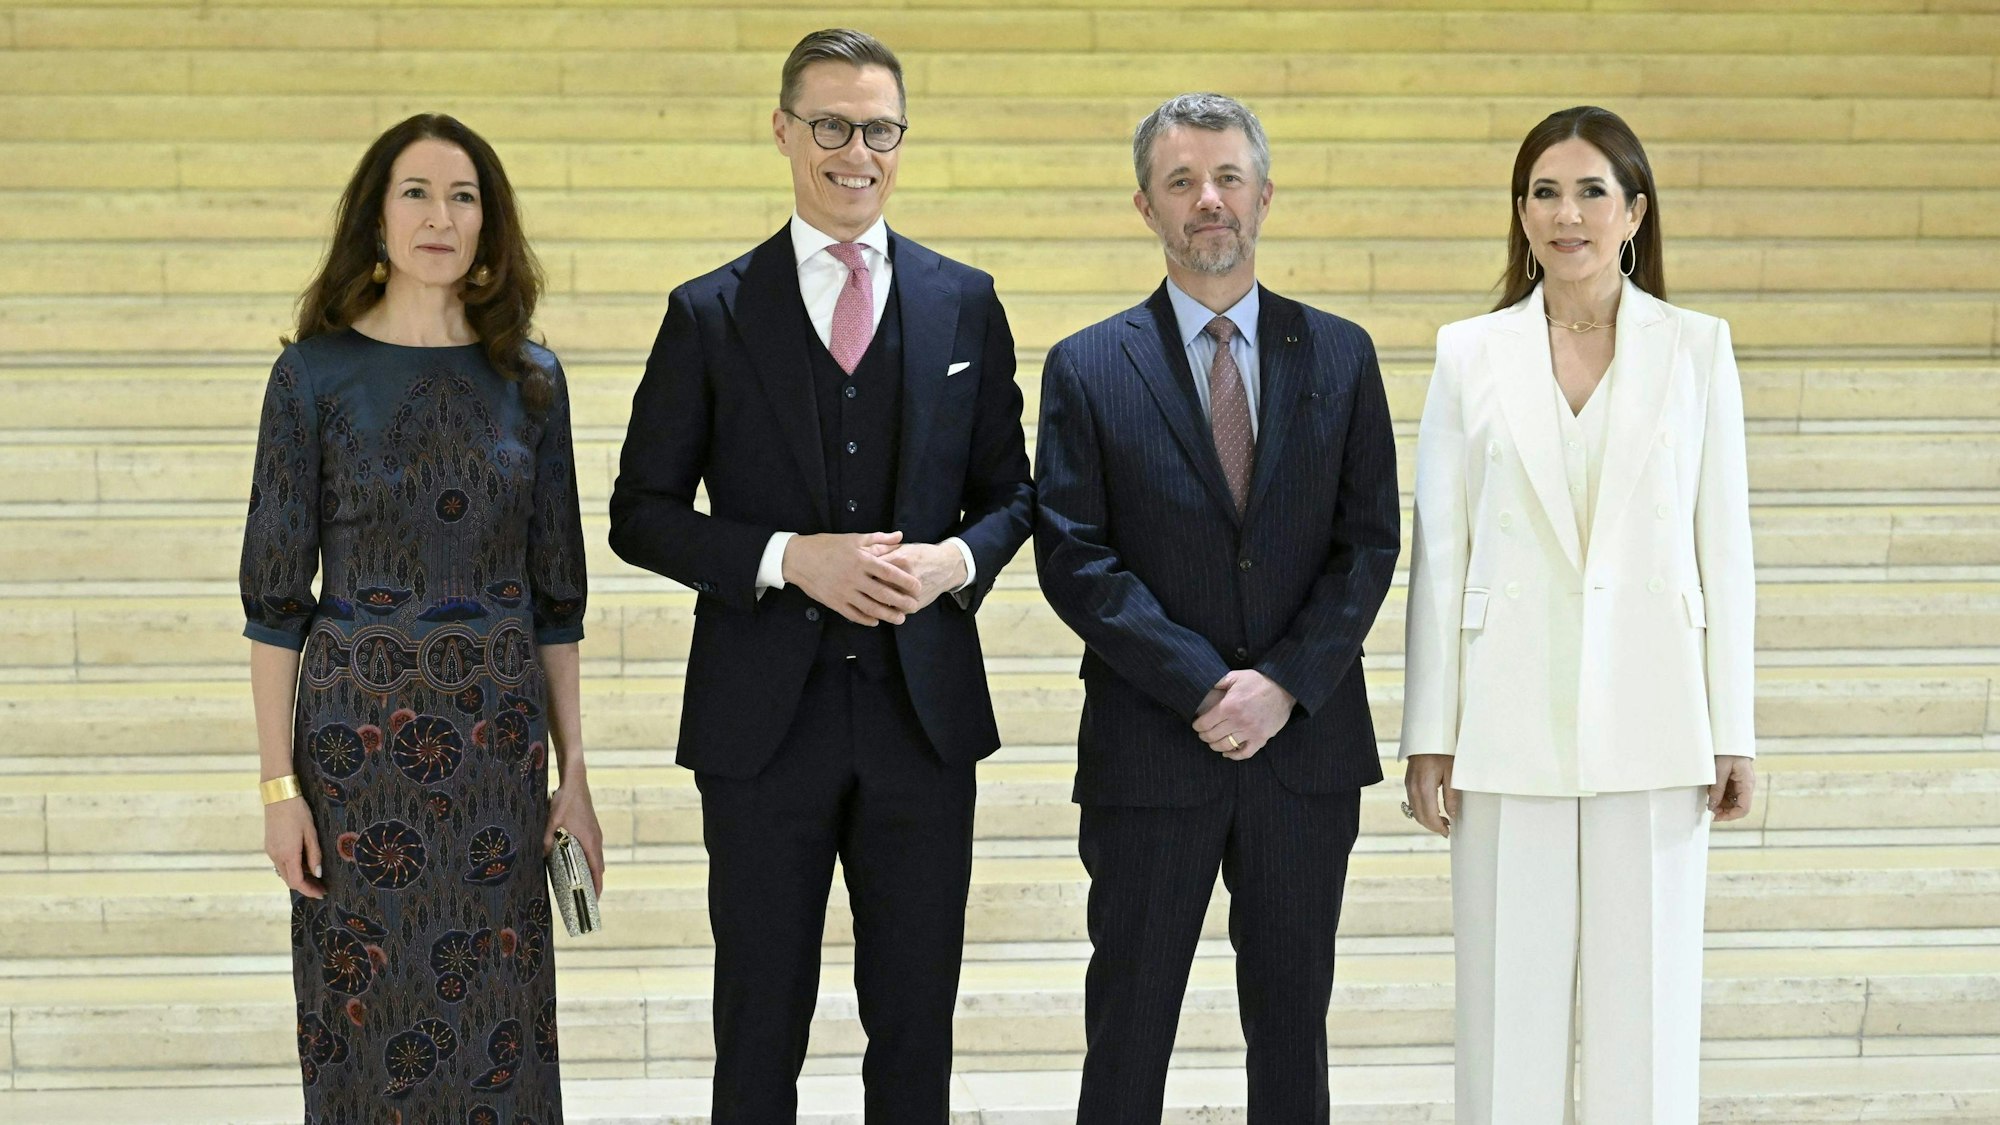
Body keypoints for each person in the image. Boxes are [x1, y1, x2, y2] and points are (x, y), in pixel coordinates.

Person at [605, 28, 1034, 1124]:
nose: (857, 152)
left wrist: (955, 561)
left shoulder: (964, 302)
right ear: (784, 131)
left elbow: (1013, 497)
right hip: (761, 729)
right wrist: (782, 557)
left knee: (914, 1021)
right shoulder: (708, 312)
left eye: (878, 129)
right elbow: (638, 515)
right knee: (757, 1018)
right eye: (831, 126)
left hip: (921, 721)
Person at [1033, 93, 1400, 1122]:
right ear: (1142, 205)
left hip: (1303, 758)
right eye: (1181, 182)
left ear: (1264, 196)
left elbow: (1366, 543)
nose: (1208, 201)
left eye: (1227, 178)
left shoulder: (1338, 354)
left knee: (1291, 1033)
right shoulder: (1087, 365)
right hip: (1151, 749)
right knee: (1128, 1031)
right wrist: (1205, 685)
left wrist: (1281, 683)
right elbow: (1074, 555)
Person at [1399, 105, 1758, 1123]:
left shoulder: (1695, 350)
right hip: (1503, 729)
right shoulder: (1468, 352)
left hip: (1654, 720)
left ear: (1634, 211)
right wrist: (1430, 735)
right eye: (1544, 193)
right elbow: (1441, 553)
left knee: (1644, 1027)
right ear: (1518, 214)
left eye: (1591, 191)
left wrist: (1730, 727)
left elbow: (1722, 548)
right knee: (1505, 1026)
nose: (1566, 215)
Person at [245, 113, 604, 1124]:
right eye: (415, 192)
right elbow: (275, 607)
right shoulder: (311, 378)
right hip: (354, 761)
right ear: (376, 216)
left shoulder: (531, 381)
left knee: (501, 1024)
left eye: (463, 196)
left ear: (488, 226)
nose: (439, 216)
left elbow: (556, 602)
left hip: (496, 758)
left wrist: (573, 782)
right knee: (358, 1017)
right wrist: (279, 788)